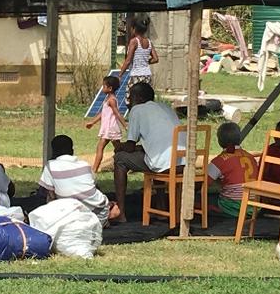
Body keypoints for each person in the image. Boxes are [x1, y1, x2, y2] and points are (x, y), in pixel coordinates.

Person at [113, 82, 183, 223]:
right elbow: (158, 142)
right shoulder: (166, 108)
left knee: (120, 159)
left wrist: (119, 146)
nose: (128, 101)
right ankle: (161, 207)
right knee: (156, 156)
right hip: (182, 163)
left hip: (164, 164)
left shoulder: (137, 110)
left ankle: (120, 212)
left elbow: (131, 147)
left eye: (130, 97)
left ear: (138, 98)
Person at [38, 135, 117, 227]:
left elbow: (50, 195)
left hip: (68, 214)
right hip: (98, 212)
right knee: (115, 208)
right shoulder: (85, 165)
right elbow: (95, 187)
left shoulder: (50, 166)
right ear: (72, 149)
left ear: (53, 151)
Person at [207, 122, 258, 217]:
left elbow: (204, 183)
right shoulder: (251, 157)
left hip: (234, 206)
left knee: (207, 200)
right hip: (254, 205)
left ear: (219, 141)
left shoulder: (220, 160)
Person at [85, 75, 127, 173]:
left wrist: (124, 125)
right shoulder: (108, 98)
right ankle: (95, 169)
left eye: (104, 86)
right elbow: (102, 113)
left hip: (110, 128)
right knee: (117, 148)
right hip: (107, 128)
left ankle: (94, 169)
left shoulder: (112, 100)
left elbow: (117, 113)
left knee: (110, 148)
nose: (102, 87)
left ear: (110, 88)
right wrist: (93, 122)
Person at [119, 14, 158, 105]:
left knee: (130, 100)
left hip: (136, 76)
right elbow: (156, 59)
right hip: (147, 76)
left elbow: (128, 60)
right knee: (146, 100)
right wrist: (145, 61)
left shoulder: (134, 41)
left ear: (134, 28)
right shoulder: (148, 42)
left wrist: (120, 74)